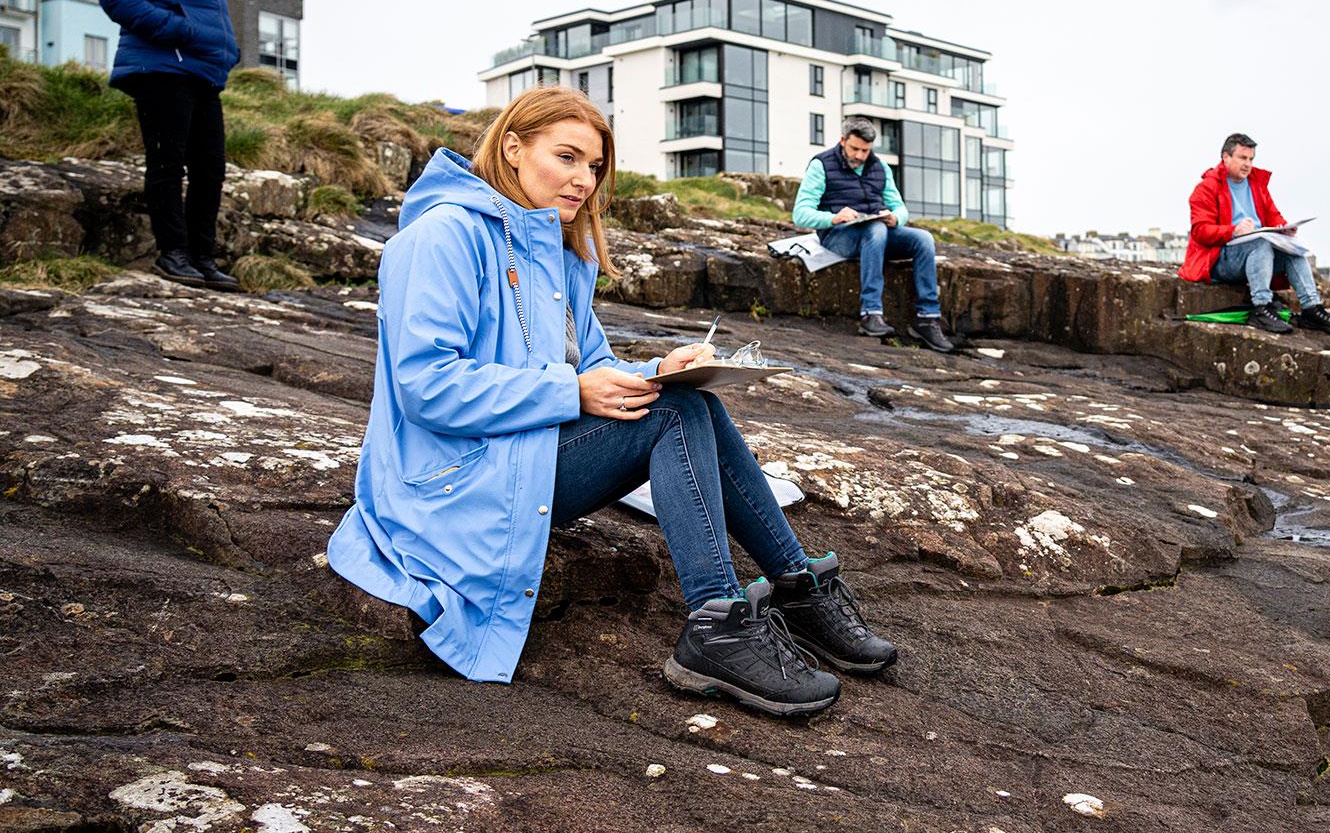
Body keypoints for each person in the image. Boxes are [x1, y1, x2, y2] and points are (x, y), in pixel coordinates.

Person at [328, 87, 897, 716]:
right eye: (566, 157)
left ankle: (796, 587)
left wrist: (659, 369)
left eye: (594, 167)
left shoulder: (557, 245)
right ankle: (718, 623)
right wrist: (572, 391)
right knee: (677, 415)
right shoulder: (442, 237)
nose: (582, 181)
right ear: (512, 148)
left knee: (690, 399)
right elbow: (426, 385)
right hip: (453, 479)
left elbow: (590, 366)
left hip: (522, 450)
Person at [97, 0, 242, 291]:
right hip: (161, 70)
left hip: (202, 75)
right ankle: (172, 255)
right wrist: (175, 29)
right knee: (167, 164)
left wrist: (226, 53)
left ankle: (201, 257)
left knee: (209, 170)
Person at [791, 116, 955, 352]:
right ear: (842, 140)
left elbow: (900, 208)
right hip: (838, 236)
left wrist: (895, 217)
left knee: (923, 239)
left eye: (865, 151)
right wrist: (833, 217)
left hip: (877, 234)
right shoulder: (821, 164)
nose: (859, 155)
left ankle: (927, 319)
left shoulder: (881, 167)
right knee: (876, 230)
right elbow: (800, 213)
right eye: (854, 149)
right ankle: (871, 313)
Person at [1178, 133, 1330, 335]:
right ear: (1226, 157)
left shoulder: (1257, 185)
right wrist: (1234, 231)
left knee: (1293, 250)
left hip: (1255, 256)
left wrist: (1284, 228)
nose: (1247, 164)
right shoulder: (1206, 188)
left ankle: (1312, 308)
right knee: (1261, 243)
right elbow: (1200, 231)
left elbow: (1273, 216)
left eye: (1251, 159)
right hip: (1220, 260)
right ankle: (1261, 307)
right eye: (1242, 158)